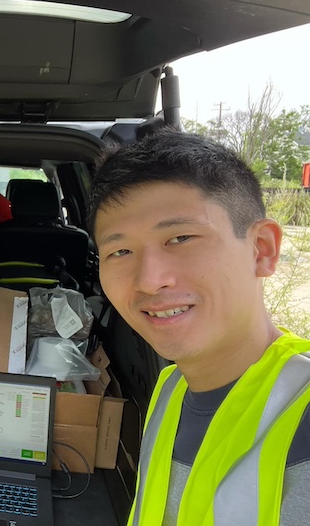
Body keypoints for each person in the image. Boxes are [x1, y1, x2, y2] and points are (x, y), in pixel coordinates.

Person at [88, 130, 310, 525]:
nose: (149, 281)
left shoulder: (301, 413)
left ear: (262, 249)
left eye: (180, 238)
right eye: (120, 251)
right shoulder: (171, 389)